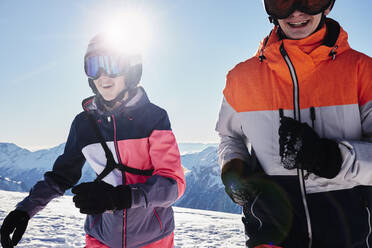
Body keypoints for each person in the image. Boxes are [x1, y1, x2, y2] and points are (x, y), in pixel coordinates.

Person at [0, 33, 185, 248]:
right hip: (100, 238)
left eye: (113, 65)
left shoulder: (154, 118)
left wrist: (120, 198)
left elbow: (173, 184)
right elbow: (61, 177)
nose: (103, 76)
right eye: (94, 66)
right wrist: (24, 210)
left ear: (132, 70)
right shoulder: (84, 124)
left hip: (153, 239)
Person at [216, 0, 372, 247]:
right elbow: (230, 136)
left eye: (311, 0)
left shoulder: (362, 71)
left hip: (349, 234)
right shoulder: (241, 78)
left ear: (328, 5)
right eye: (283, 1)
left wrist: (333, 159)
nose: (297, 11)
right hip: (269, 235)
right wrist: (233, 166)